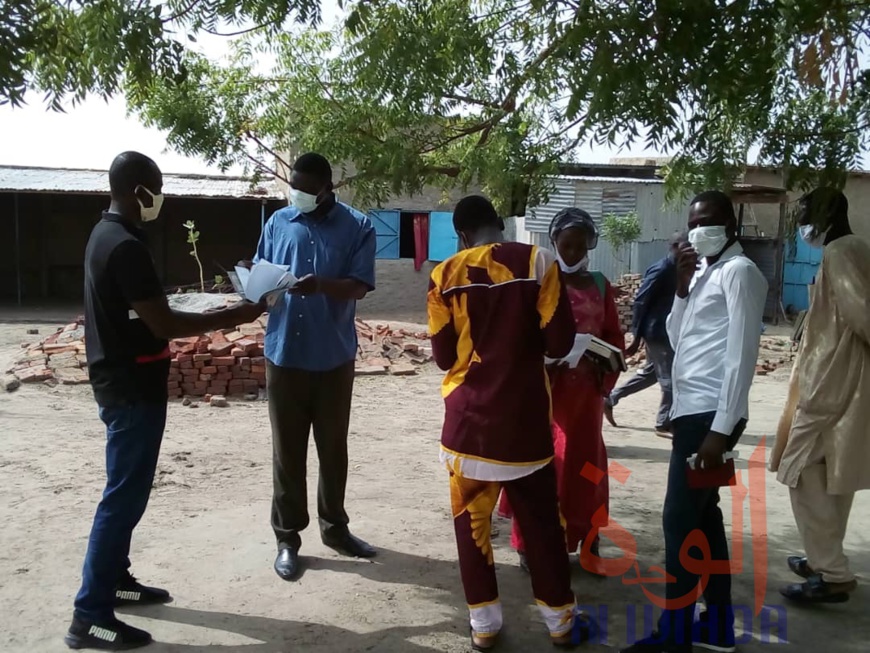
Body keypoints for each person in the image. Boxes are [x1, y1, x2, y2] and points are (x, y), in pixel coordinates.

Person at [67, 152, 267, 651]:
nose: (161, 198)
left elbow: (145, 311)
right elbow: (166, 325)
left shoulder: (106, 234)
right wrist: (236, 315)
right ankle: (89, 615)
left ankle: (116, 579)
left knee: (127, 492)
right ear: (138, 190)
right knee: (123, 498)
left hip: (123, 380)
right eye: (157, 188)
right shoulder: (125, 246)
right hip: (130, 388)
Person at [428, 195, 595, 650]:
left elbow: (444, 357)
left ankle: (484, 627)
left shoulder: (443, 275)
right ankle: (561, 625)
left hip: (466, 431)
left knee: (472, 530)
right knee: (543, 531)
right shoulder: (539, 262)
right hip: (524, 431)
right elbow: (559, 342)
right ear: (499, 225)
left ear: (461, 236)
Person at [622, 191, 768, 653]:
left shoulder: (741, 273)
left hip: (709, 417)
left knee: (677, 522)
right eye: (691, 224)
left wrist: (720, 431)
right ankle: (718, 626)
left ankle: (676, 633)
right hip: (692, 411)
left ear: (731, 224)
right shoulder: (706, 272)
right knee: (704, 519)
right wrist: (682, 289)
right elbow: (676, 336)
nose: (696, 231)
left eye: (706, 221)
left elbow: (742, 355)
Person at [248, 152, 377, 582]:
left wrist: (321, 285)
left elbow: (359, 285)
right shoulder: (277, 223)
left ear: (326, 188)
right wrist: (254, 285)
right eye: (294, 185)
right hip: (283, 354)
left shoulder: (357, 226)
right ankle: (287, 539)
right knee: (287, 452)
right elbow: (262, 276)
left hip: (333, 356)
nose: (297, 193)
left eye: (305, 188)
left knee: (333, 448)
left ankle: (335, 529)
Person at [500, 208, 624, 576]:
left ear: (590, 246)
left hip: (585, 395)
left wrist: (607, 362)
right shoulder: (539, 284)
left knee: (586, 469)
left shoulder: (601, 286)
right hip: (546, 395)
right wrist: (544, 361)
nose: (571, 253)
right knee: (541, 467)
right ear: (553, 244)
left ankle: (588, 540)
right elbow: (522, 337)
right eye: (564, 245)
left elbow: (613, 336)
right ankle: (530, 545)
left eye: (579, 246)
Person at [770, 188, 870, 604]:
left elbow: (862, 314)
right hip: (843, 375)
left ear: (827, 213)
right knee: (833, 472)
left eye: (808, 213)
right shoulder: (858, 246)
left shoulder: (839, 253)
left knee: (800, 468)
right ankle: (824, 558)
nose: (803, 223)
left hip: (830, 378)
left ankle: (832, 573)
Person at [605, 232, 688, 438]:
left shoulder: (680, 269)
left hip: (668, 330)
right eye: (687, 246)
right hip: (658, 331)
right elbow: (641, 301)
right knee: (670, 379)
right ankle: (663, 424)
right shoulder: (662, 269)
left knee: (651, 374)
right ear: (675, 246)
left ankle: (611, 398)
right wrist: (636, 334)